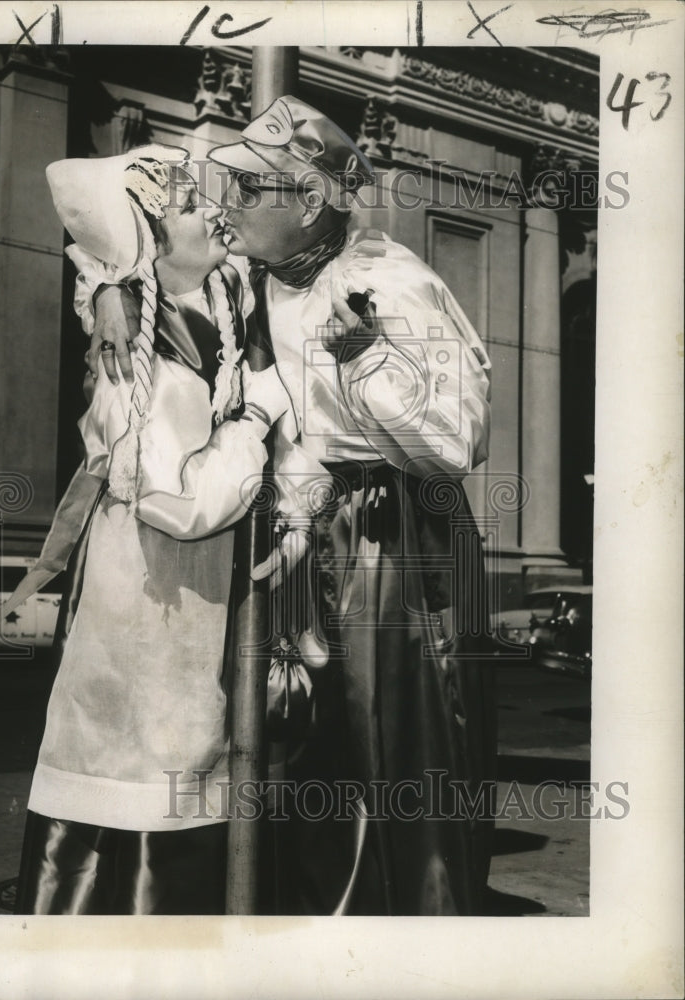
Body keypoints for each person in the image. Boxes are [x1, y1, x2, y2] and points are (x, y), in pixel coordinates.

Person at [84, 97, 497, 916]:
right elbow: (122, 229)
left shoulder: (392, 285)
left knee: (392, 750)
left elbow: (453, 448)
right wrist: (105, 285)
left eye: (246, 189)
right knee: (290, 750)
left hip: (392, 543)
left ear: (308, 202)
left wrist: (363, 361)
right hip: (292, 534)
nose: (226, 206)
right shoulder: (252, 274)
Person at [7, 143, 322, 915]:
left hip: (190, 596)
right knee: (147, 767)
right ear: (150, 241)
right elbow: (179, 505)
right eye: (188, 205)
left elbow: (103, 251)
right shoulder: (135, 362)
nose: (214, 209)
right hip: (149, 598)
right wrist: (251, 422)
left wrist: (108, 281)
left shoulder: (211, 305)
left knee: (180, 756)